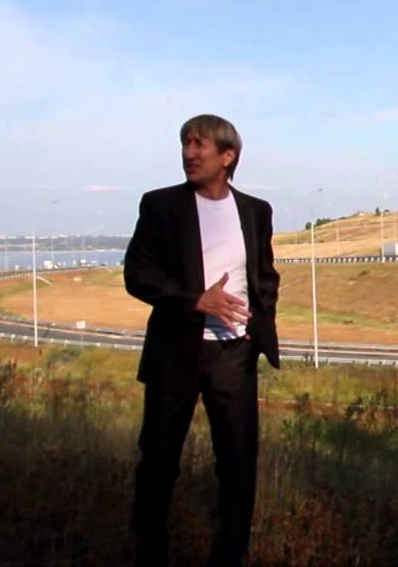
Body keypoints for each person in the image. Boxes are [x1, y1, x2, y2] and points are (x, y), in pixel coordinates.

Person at [124, 114, 280, 567]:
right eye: (185, 144)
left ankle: (230, 554)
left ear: (227, 156)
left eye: (199, 145)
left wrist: (256, 326)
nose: (188, 153)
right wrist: (195, 300)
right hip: (175, 352)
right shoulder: (160, 205)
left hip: (233, 354)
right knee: (158, 462)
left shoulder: (256, 211)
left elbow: (265, 276)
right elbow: (138, 274)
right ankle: (150, 554)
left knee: (238, 462)